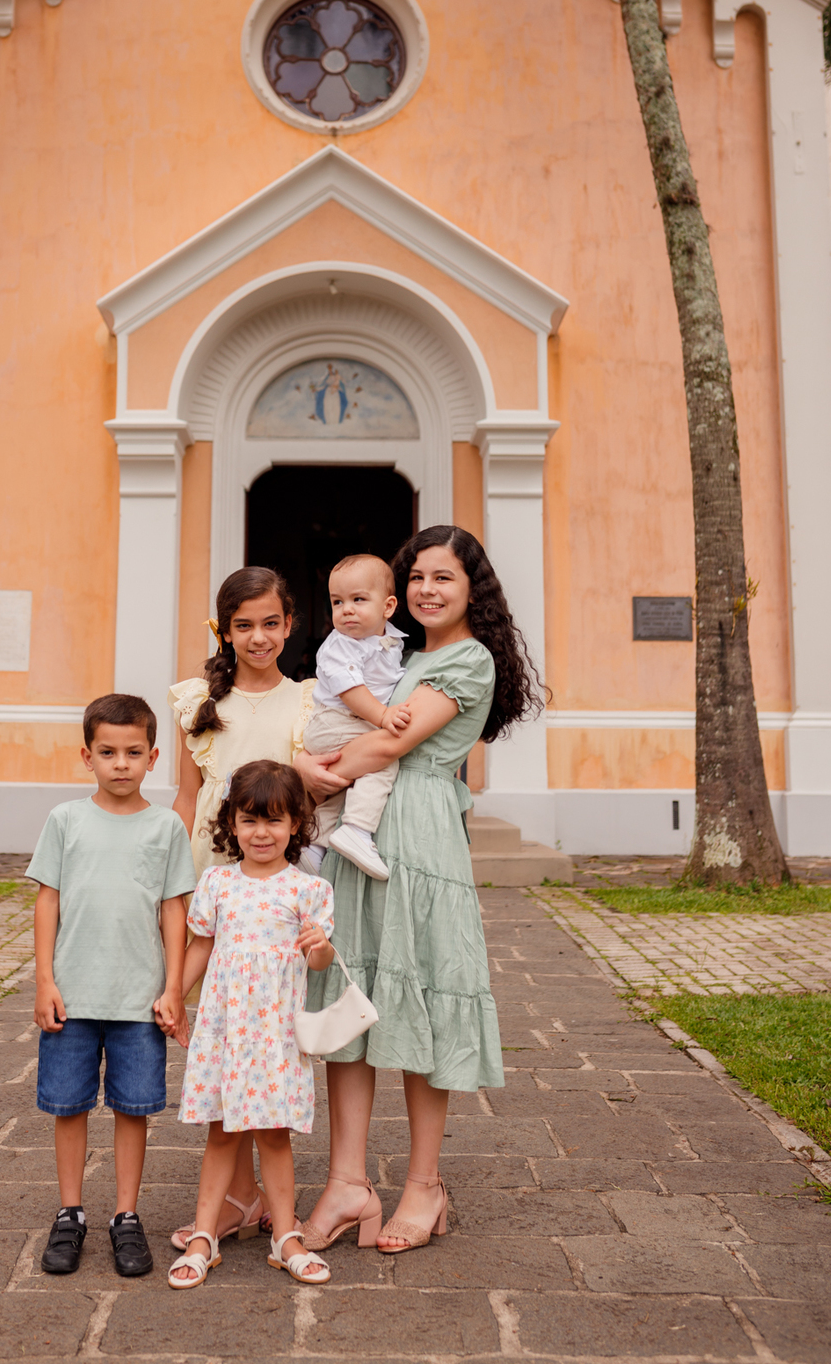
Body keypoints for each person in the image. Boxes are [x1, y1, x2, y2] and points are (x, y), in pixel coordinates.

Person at [295, 526, 541, 1255]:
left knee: (421, 1002)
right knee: (352, 1000)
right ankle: (347, 1183)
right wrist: (310, 763)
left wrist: (310, 767)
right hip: (357, 839)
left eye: (446, 578)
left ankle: (424, 1185)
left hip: (420, 836)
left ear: (473, 591)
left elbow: (393, 744)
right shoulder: (399, 653)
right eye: (421, 578)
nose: (431, 590)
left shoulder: (468, 659)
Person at [167, 565, 325, 1251]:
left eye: (270, 623)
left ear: (289, 626)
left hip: (277, 888)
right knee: (214, 1040)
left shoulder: (311, 702)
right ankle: (235, 1197)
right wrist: (170, 882)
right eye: (243, 626)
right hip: (212, 883)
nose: (258, 637)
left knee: (263, 1043)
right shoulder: (198, 703)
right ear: (224, 632)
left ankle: (248, 1197)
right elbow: (182, 798)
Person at [28, 693, 195, 1279]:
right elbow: (46, 901)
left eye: (132, 753)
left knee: (133, 1108)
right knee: (68, 1106)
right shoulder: (66, 821)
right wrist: (45, 979)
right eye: (107, 752)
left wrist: (174, 987)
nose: (120, 763)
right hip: (72, 997)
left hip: (137, 1000)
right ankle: (70, 1212)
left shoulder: (166, 825)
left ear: (152, 757)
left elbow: (175, 911)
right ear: (87, 755)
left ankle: (126, 1215)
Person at [167, 760, 338, 1289]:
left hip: (275, 1035)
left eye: (275, 821)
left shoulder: (309, 891)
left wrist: (321, 948)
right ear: (232, 825)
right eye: (249, 821)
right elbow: (202, 945)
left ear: (295, 825)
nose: (261, 833)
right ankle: (203, 1236)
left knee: (274, 1134)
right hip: (225, 1030)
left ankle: (285, 1235)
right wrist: (174, 993)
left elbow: (319, 963)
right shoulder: (217, 882)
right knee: (221, 1132)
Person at [299, 553, 412, 881]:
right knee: (382, 761)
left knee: (349, 786)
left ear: (388, 607)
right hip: (335, 722)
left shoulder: (389, 640)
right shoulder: (341, 645)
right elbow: (351, 690)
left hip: (349, 723)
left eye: (358, 599)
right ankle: (358, 830)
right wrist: (383, 715)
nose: (346, 609)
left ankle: (314, 845)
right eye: (337, 602)